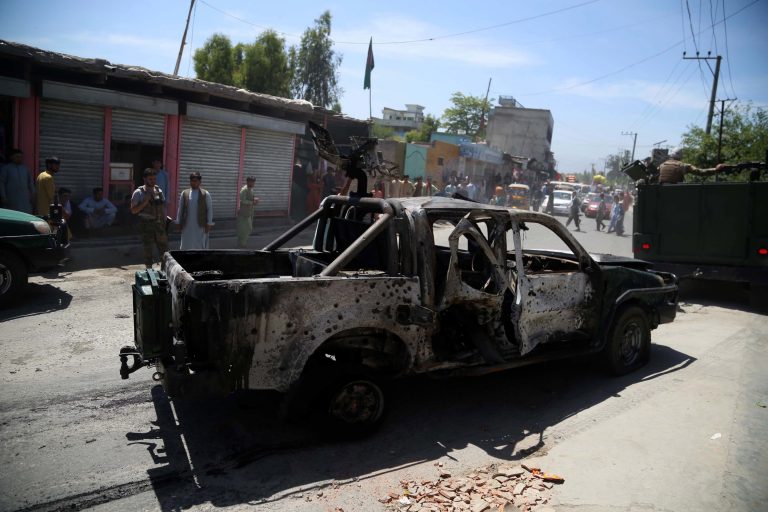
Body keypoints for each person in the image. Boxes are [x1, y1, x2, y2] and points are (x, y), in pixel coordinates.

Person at [131, 168, 168, 268]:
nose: (153, 181)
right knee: (148, 250)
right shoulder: (138, 193)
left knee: (164, 250)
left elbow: (162, 206)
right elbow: (133, 210)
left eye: (154, 179)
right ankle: (149, 272)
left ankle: (164, 271)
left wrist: (165, 220)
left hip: (159, 225)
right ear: (144, 179)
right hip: (147, 225)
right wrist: (145, 202)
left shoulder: (159, 190)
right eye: (150, 179)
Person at [175, 171, 213, 250]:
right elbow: (180, 208)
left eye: (196, 181)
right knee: (186, 243)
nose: (194, 183)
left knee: (200, 245)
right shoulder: (184, 193)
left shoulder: (205, 194)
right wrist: (178, 222)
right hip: (187, 225)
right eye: (192, 181)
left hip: (200, 225)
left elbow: (209, 209)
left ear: (200, 182)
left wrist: (209, 223)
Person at [0, 148, 35, 213]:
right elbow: (2, 183)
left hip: (25, 198)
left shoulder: (26, 169)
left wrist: (33, 195)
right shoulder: (6, 169)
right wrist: (3, 196)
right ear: (11, 157)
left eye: (21, 157)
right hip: (11, 197)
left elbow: (30, 183)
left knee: (25, 214)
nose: (19, 158)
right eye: (17, 157)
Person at [236, 176, 259, 249]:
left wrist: (254, 200)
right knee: (244, 229)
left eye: (254, 182)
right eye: (252, 182)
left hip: (249, 213)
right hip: (243, 214)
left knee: (247, 229)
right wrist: (252, 202)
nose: (253, 183)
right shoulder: (244, 190)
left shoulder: (251, 190)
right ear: (248, 182)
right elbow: (243, 200)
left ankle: (241, 243)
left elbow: (250, 199)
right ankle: (242, 244)